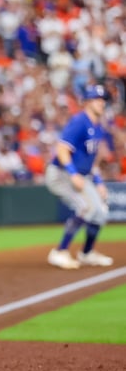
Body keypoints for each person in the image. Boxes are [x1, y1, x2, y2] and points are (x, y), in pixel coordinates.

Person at [45, 85, 115, 269]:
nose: (102, 103)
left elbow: (93, 162)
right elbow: (61, 149)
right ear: (87, 102)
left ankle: (87, 253)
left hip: (80, 176)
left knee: (100, 211)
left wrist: (99, 183)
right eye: (97, 99)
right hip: (61, 174)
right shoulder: (79, 121)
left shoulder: (97, 127)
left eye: (103, 100)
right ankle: (60, 252)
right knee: (84, 207)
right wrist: (73, 173)